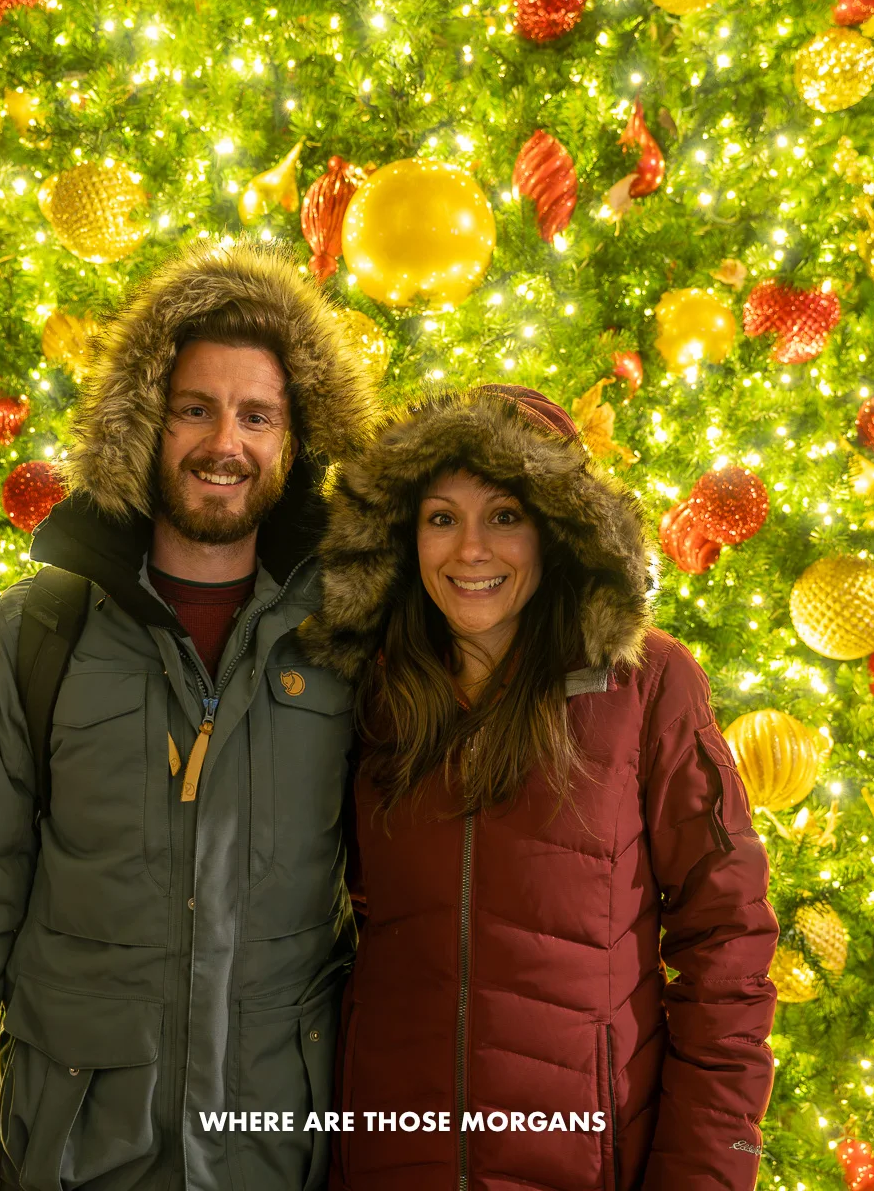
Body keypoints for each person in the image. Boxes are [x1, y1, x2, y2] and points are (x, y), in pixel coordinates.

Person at [0, 243, 376, 1191]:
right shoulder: (38, 631)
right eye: (194, 409)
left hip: (280, 1144)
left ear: (295, 438)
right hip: (76, 1145)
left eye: (257, 416)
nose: (225, 443)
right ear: (143, 422)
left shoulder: (348, 635)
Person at [303, 385, 779, 1191]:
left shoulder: (647, 683)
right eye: (442, 518)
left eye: (506, 516)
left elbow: (726, 942)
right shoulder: (370, 692)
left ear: (559, 528)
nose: (470, 551)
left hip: (589, 1162)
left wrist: (702, 1173)